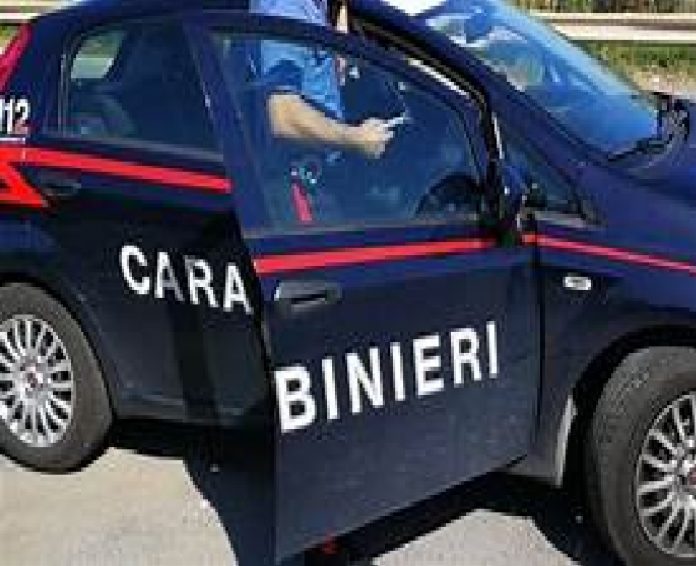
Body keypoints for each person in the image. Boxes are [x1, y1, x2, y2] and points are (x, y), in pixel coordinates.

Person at [251, 0, 393, 160]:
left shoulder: (313, 6)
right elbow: (284, 116)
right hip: (298, 166)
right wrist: (356, 138)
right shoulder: (287, 9)